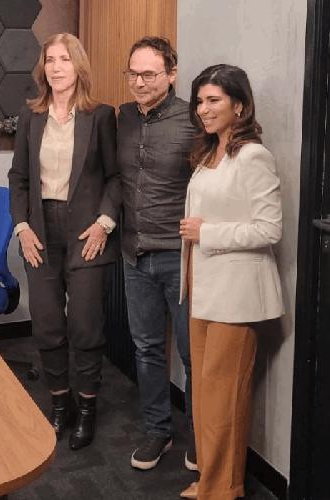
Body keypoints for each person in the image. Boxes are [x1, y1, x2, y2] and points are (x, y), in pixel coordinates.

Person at [8, 33, 119, 451]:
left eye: (65, 59)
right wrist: (22, 227)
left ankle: (87, 408)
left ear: (79, 67)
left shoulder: (100, 116)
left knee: (85, 325)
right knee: (47, 324)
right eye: (50, 59)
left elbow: (116, 177)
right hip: (40, 231)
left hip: (87, 232)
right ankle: (60, 404)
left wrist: (105, 222)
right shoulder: (31, 115)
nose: (56, 67)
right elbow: (18, 178)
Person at [177, 64, 284, 499]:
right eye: (200, 101)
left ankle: (222, 489)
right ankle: (212, 480)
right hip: (202, 289)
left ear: (239, 104)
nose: (204, 109)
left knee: (224, 399)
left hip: (236, 297)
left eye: (213, 100)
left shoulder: (254, 156)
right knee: (205, 397)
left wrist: (208, 233)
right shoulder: (209, 153)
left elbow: (269, 229)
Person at [118, 36, 196, 471]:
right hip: (135, 254)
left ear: (171, 74)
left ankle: (201, 439)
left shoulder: (192, 119)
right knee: (146, 349)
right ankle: (158, 431)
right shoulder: (124, 117)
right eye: (132, 73)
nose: (139, 82)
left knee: (191, 353)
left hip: (179, 256)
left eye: (148, 74)